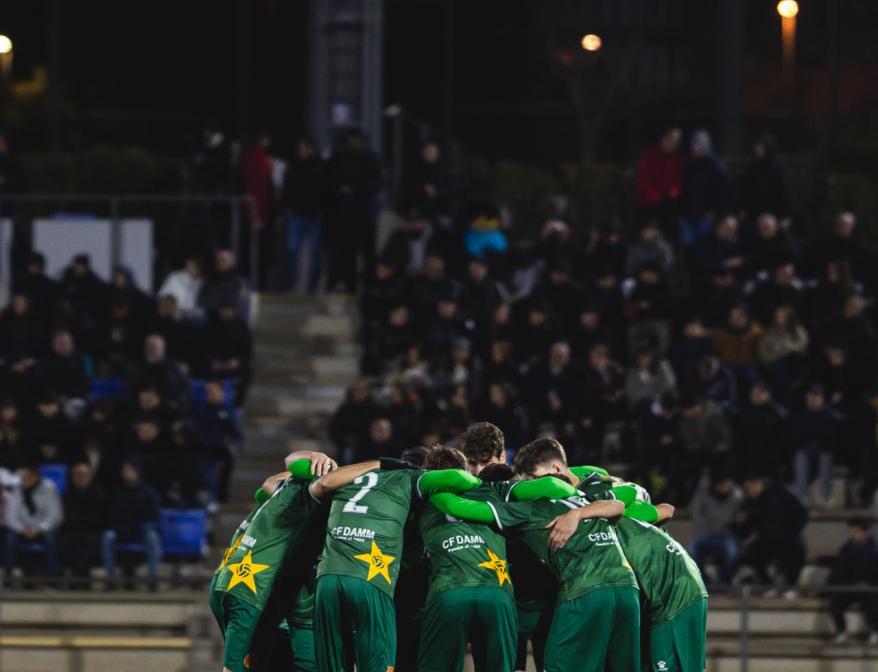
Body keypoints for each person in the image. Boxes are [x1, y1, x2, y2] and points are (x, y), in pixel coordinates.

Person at [429, 477, 638, 672]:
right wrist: (578, 513)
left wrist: (422, 484)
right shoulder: (588, 501)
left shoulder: (528, 509)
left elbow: (455, 506)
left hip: (584, 590)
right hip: (628, 590)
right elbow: (621, 503)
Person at [313, 459, 481, 672]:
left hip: (327, 577)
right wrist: (488, 486)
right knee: (378, 664)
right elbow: (457, 477)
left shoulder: (347, 478)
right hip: (371, 579)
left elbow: (321, 484)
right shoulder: (408, 477)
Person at [735, 475, 808, 597]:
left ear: (757, 483)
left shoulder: (780, 493)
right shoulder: (750, 502)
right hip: (766, 540)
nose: (748, 491)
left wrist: (793, 531)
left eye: (749, 488)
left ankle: (790, 586)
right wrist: (743, 520)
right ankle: (768, 585)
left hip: (788, 538)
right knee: (752, 553)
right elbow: (745, 528)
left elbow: (801, 513)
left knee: (797, 552)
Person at [101, 460, 162, 590]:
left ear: (137, 472)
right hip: (121, 531)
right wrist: (120, 527)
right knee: (108, 536)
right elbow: (111, 515)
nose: (126, 474)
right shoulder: (117, 492)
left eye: (130, 471)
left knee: (152, 537)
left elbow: (154, 517)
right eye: (124, 471)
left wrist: (144, 527)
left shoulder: (148, 493)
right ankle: (110, 580)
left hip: (141, 532)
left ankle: (153, 580)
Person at [3, 464, 63, 584]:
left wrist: (39, 529)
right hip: (22, 528)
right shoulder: (17, 489)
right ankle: (8, 575)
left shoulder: (49, 488)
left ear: (36, 477)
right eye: (22, 478)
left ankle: (52, 575)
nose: (24, 481)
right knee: (10, 538)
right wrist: (22, 529)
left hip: (43, 528)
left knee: (51, 538)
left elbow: (55, 515)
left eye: (27, 477)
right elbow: (10, 516)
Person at [283, 136, 324, 293]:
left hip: (315, 215)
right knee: (292, 250)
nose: (300, 151)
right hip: (297, 214)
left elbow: (325, 189)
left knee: (315, 254)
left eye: (302, 147)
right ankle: (292, 284)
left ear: (310, 148)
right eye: (298, 148)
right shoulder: (293, 166)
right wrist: (288, 206)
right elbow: (287, 187)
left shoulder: (320, 166)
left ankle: (311, 287)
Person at [827, 518, 878, 645]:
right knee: (836, 603)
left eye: (857, 531)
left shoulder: (875, 549)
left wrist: (868, 583)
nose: (854, 535)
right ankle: (841, 633)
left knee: (872, 603)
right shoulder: (847, 549)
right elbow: (839, 570)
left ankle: (875, 632)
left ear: (866, 532)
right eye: (853, 531)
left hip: (870, 587)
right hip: (849, 586)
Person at [689, 472, 743, 586]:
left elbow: (741, 518)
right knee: (690, 552)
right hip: (705, 534)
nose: (726, 487)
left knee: (733, 553)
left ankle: (723, 583)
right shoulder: (703, 495)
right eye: (723, 485)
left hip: (726, 535)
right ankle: (706, 582)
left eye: (728, 484)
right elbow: (696, 516)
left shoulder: (737, 496)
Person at [790, 384, 838, 505]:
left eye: (817, 396)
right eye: (811, 396)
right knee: (800, 457)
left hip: (824, 450)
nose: (813, 399)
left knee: (825, 458)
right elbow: (795, 438)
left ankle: (825, 497)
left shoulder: (829, 416)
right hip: (805, 450)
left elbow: (833, 439)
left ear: (822, 399)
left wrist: (820, 445)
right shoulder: (800, 416)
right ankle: (801, 498)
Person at [680, 130, 728, 248]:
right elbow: (684, 188)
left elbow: (721, 193)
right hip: (688, 213)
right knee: (689, 245)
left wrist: (715, 211)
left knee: (705, 245)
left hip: (707, 214)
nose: (696, 150)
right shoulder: (689, 163)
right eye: (695, 146)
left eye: (699, 147)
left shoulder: (716, 166)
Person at [60, 462, 106, 585]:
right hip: (72, 531)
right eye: (77, 475)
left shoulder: (98, 494)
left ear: (90, 476)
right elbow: (64, 518)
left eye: (83, 474)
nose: (80, 477)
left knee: (88, 542)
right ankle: (71, 579)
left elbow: (99, 519)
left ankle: (82, 579)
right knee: (65, 540)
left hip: (92, 532)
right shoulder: (67, 495)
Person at [635, 127, 683, 227]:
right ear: (664, 139)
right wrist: (655, 196)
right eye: (672, 140)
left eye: (677, 141)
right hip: (649, 203)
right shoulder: (648, 155)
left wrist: (672, 194)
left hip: (668, 204)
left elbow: (678, 180)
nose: (674, 144)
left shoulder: (677, 159)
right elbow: (643, 179)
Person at [739, 134, 789, 224]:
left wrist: (785, 215)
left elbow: (783, 192)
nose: (758, 150)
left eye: (761, 148)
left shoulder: (777, 168)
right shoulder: (751, 168)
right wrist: (742, 209)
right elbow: (744, 191)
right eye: (757, 148)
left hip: (773, 213)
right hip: (753, 213)